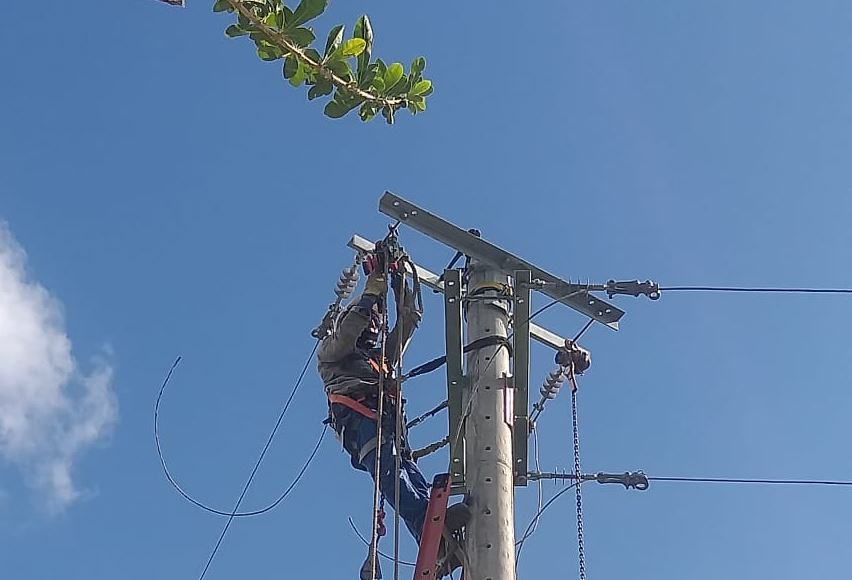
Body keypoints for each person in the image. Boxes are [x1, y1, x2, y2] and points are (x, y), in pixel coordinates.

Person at [318, 256, 467, 577]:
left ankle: (437, 540)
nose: (373, 324)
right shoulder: (331, 353)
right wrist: (371, 292)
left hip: (390, 426)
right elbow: (346, 335)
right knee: (393, 478)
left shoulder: (380, 356)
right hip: (361, 423)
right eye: (369, 319)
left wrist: (398, 281)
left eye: (376, 319)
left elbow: (412, 318)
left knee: (412, 479)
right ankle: (430, 530)